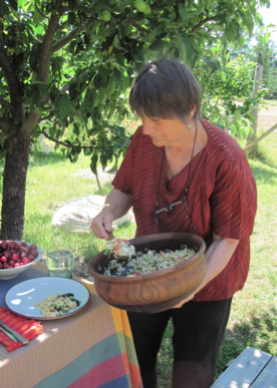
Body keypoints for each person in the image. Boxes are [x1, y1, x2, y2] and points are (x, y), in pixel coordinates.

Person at [90, 57, 257, 388]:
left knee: (192, 368)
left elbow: (228, 240)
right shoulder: (143, 140)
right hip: (147, 271)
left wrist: (189, 286)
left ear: (191, 109)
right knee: (135, 357)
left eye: (155, 120)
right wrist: (108, 211)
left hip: (209, 278)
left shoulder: (227, 159)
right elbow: (123, 189)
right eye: (142, 118)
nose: (146, 128)